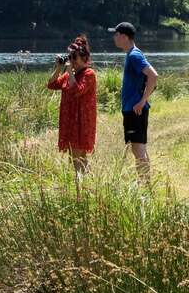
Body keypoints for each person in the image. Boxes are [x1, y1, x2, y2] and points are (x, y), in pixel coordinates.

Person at [108, 21, 158, 182]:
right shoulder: (132, 54)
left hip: (135, 109)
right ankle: (145, 183)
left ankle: (145, 185)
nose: (114, 38)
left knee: (138, 149)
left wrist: (142, 100)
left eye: (116, 34)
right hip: (132, 109)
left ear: (124, 36)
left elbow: (153, 76)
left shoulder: (135, 55)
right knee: (138, 148)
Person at [47, 35, 97, 178]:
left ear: (84, 58)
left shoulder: (89, 74)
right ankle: (89, 184)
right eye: (70, 57)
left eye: (74, 58)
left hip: (81, 122)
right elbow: (51, 84)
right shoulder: (71, 74)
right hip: (70, 120)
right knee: (79, 157)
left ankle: (79, 191)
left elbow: (77, 90)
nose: (72, 61)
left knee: (76, 158)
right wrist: (59, 68)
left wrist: (69, 72)